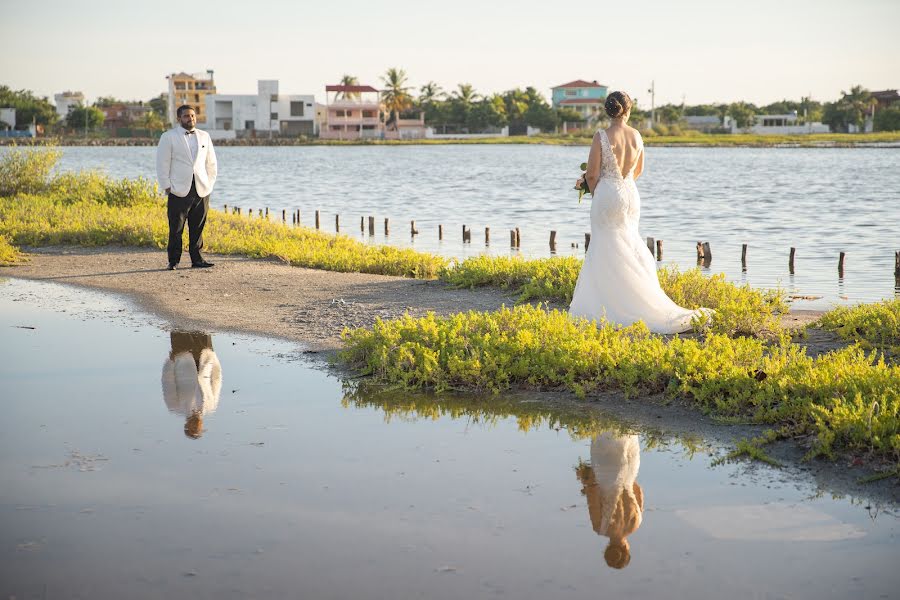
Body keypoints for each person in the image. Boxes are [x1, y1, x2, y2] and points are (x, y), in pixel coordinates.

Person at [569, 91, 711, 333]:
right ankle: (636, 299)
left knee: (605, 246)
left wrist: (598, 190)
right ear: (628, 110)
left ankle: (609, 304)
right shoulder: (636, 136)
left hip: (608, 195)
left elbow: (592, 174)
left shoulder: (601, 136)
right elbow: (639, 170)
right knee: (628, 243)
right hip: (630, 194)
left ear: (608, 110)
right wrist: (622, 184)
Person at [156, 105, 217, 270]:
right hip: (178, 189)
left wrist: (209, 184)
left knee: (198, 226)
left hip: (201, 188)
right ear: (179, 119)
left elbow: (211, 163)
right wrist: (167, 186)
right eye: (186, 116)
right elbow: (162, 163)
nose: (190, 119)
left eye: (192, 116)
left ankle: (197, 259)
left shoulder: (205, 136)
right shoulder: (168, 137)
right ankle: (173, 261)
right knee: (176, 227)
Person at [575, 431, 644, 569]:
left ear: (627, 549)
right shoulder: (600, 528)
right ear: (607, 549)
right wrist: (584, 477)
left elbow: (638, 490)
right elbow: (593, 492)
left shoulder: (636, 523)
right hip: (607, 473)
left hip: (630, 469)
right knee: (603, 428)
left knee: (627, 431)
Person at [161, 331, 222, 439]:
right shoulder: (210, 406)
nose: (197, 426)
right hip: (205, 357)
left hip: (181, 357)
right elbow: (217, 379)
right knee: (202, 327)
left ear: (187, 426)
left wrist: (170, 362)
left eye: (193, 428)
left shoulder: (175, 406)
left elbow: (167, 381)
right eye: (199, 429)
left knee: (180, 325)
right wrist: (213, 357)